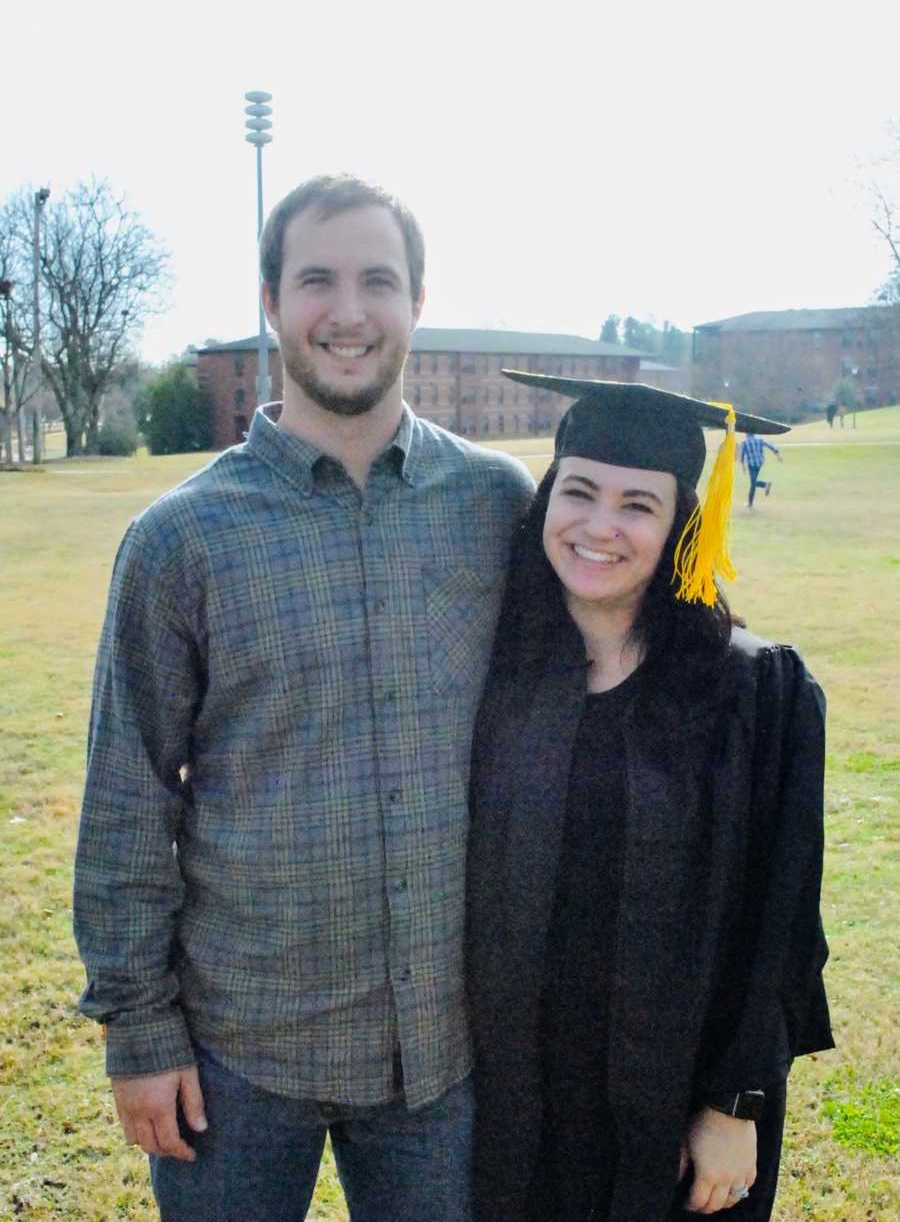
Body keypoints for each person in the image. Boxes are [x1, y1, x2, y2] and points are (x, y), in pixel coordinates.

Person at [73, 174, 533, 1222]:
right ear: (272, 301)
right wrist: (139, 1033)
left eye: (379, 279)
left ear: (419, 301)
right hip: (241, 1049)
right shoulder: (179, 540)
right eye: (316, 279)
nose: (349, 310)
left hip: (445, 1051)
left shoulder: (498, 506)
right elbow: (128, 799)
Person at [467, 372, 832, 1222]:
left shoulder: (754, 692)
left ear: (680, 528)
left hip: (679, 1113)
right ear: (546, 502)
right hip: (520, 1113)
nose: (600, 527)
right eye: (579, 493)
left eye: (638, 505)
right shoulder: (502, 679)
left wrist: (734, 1104)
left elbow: (782, 920)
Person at [739, 430, 782, 506]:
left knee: (753, 483)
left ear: (746, 434)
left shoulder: (744, 442)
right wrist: (778, 455)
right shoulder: (759, 439)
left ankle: (764, 485)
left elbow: (742, 455)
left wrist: (743, 466)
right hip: (759, 463)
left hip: (751, 465)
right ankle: (763, 487)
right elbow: (770, 445)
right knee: (753, 482)